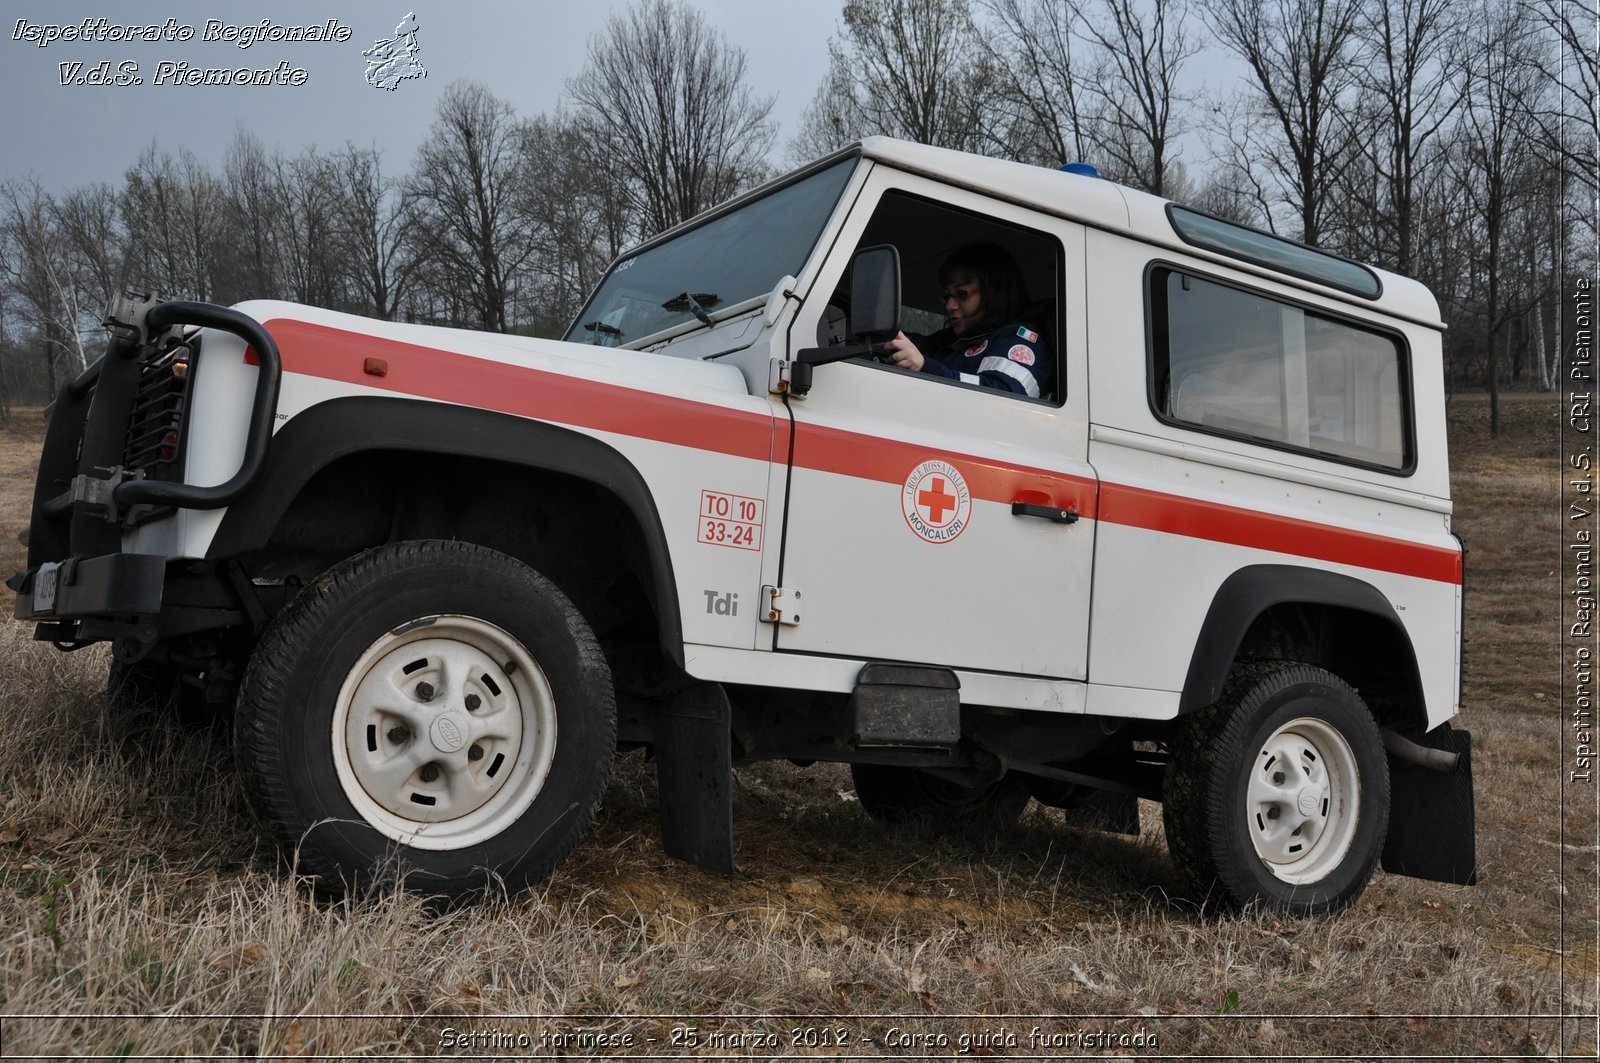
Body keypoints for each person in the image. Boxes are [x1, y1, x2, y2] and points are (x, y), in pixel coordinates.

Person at [883, 242, 1052, 399]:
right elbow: (920, 344)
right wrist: (878, 334)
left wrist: (925, 367)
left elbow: (1004, 398)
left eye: (962, 294)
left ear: (993, 292)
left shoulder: (1018, 338)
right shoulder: (951, 341)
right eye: (947, 296)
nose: (950, 306)